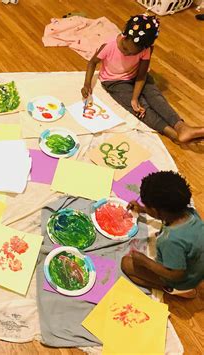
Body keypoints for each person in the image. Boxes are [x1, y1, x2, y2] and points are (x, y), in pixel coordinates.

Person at [82, 14, 204, 145]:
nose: (127, 53)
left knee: (155, 97)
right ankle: (173, 133)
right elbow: (92, 63)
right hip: (114, 82)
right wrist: (87, 84)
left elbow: (141, 75)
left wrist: (135, 96)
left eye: (132, 53)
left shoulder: (145, 49)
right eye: (125, 48)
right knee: (140, 107)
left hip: (136, 77)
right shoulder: (109, 46)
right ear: (124, 36)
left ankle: (181, 126)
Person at [121, 171, 203, 299]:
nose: (145, 207)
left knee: (126, 264)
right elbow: (164, 213)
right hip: (196, 268)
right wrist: (142, 209)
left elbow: (176, 274)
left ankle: (176, 290)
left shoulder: (170, 240)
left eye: (147, 206)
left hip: (183, 280)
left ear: (155, 211)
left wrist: (145, 262)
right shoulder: (189, 212)